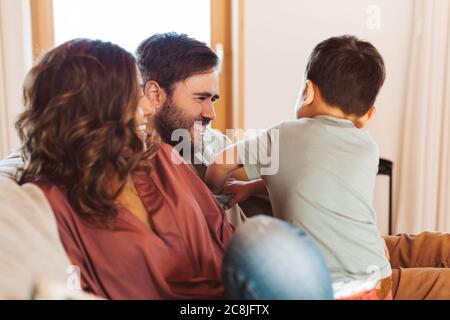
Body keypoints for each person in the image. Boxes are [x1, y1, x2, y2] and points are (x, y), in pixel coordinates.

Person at [11, 38, 333, 300]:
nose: (149, 107)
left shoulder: (161, 157)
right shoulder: (52, 202)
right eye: (133, 95)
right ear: (92, 111)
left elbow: (225, 237)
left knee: (266, 241)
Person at [206, 35, 393, 300]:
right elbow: (312, 184)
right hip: (380, 279)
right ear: (368, 115)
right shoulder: (368, 147)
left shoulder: (284, 135)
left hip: (327, 289)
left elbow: (219, 164)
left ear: (308, 91)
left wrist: (213, 193)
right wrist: (249, 188)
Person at [136, 33, 271, 226]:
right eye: (201, 98)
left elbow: (288, 188)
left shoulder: (216, 145)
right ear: (155, 95)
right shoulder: (130, 163)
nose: (211, 114)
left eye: (213, 99)